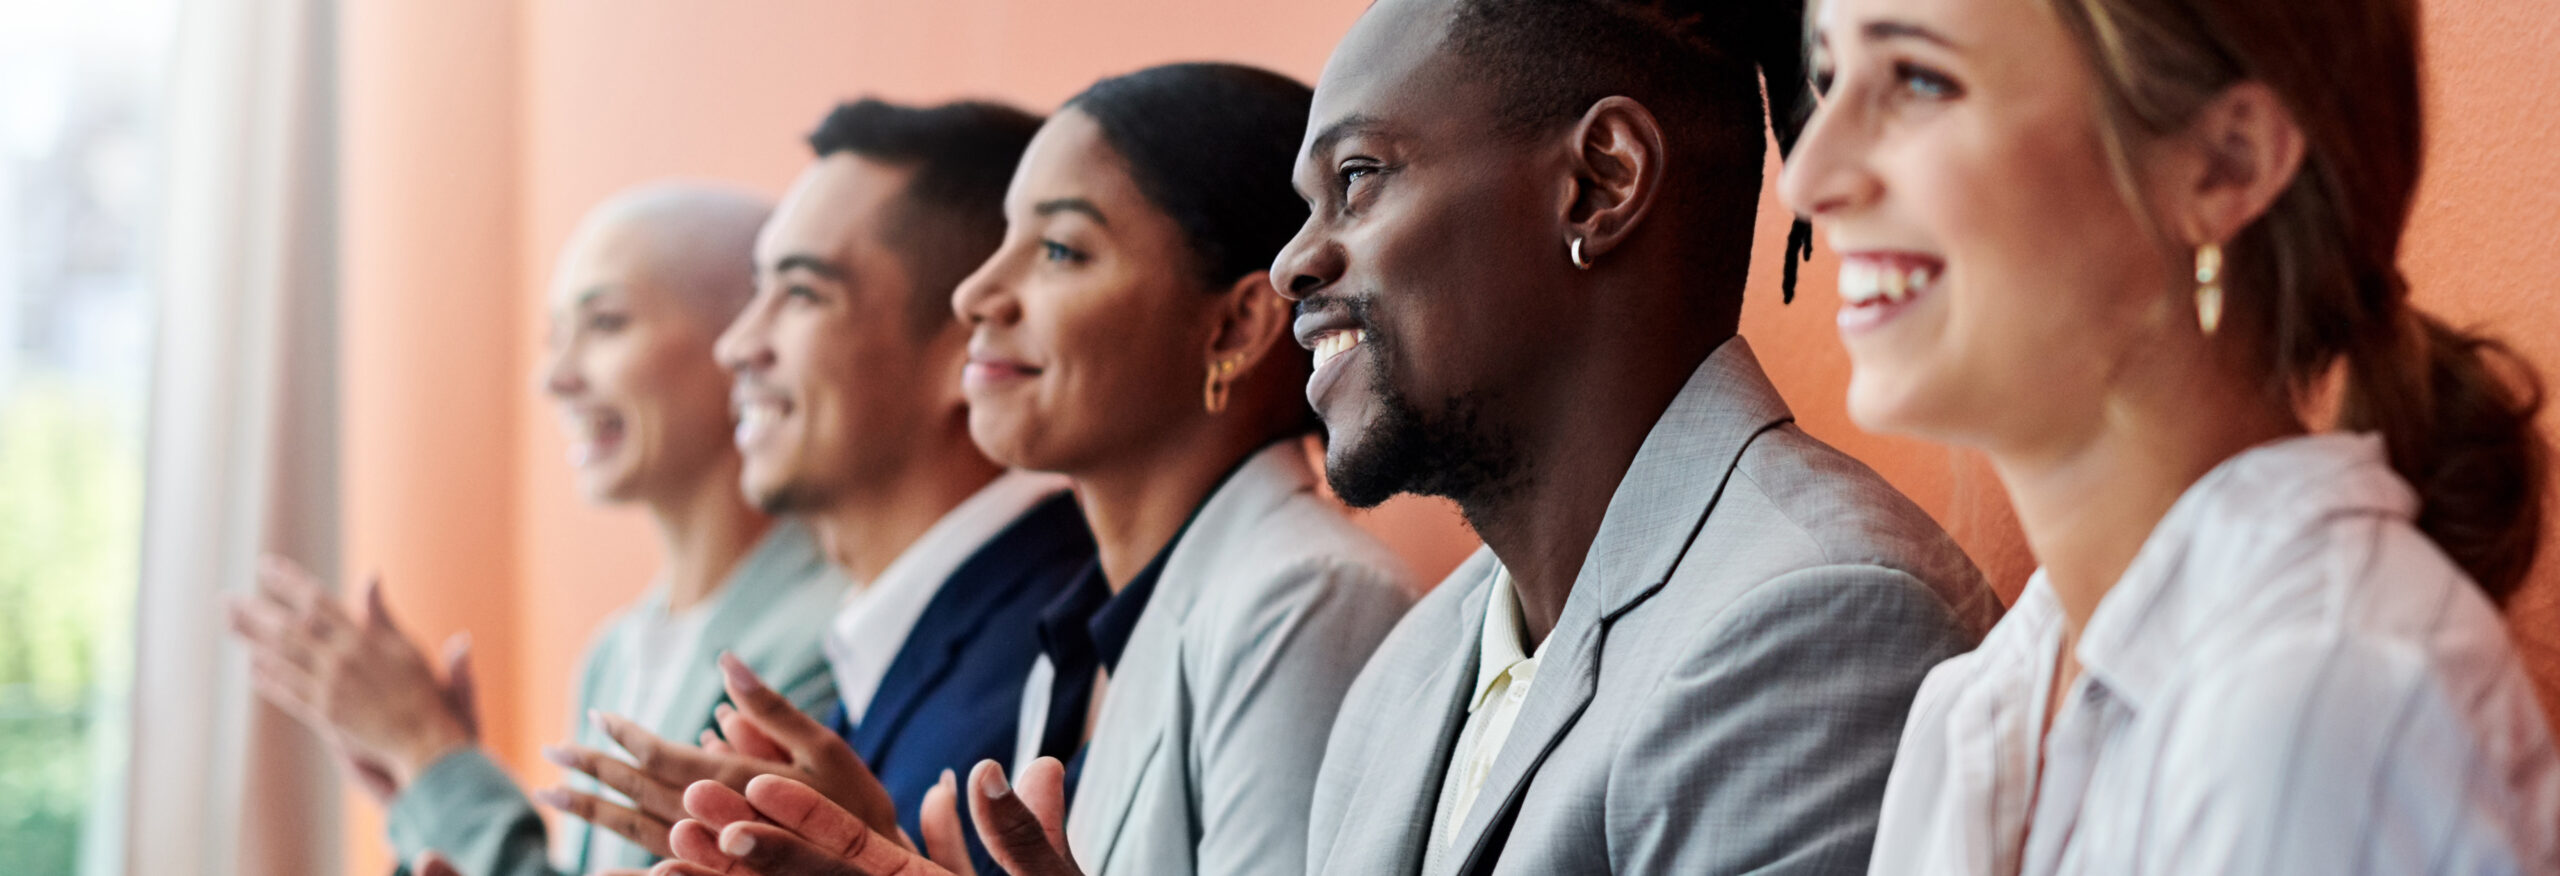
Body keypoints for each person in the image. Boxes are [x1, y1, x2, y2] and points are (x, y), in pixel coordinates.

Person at [1780, 0, 2560, 871]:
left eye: (1920, 78)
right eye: (1828, 77)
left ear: (2227, 163)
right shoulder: (1977, 715)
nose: (1805, 179)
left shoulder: (2322, 709)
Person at [638, 63, 1420, 876]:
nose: (976, 294)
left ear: (1236, 327)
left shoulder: (1306, 598)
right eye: (1003, 244)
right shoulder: (1085, 632)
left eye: (1058, 250)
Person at [1277, 0, 2001, 873]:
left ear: (1601, 183)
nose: (1292, 264)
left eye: (1357, 177)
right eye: (1308, 206)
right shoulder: (1405, 674)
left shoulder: (1814, 622)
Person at [538, 100, 1092, 875]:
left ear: (968, 343)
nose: (737, 345)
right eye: (755, 292)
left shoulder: (1054, 646)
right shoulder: (897, 631)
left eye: (801, 294)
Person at [226, 182, 846, 876]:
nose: (555, 377)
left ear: (747, 339)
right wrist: (426, 802)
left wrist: (432, 755)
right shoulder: (615, 652)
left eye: (606, 323)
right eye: (555, 338)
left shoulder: (825, 640)